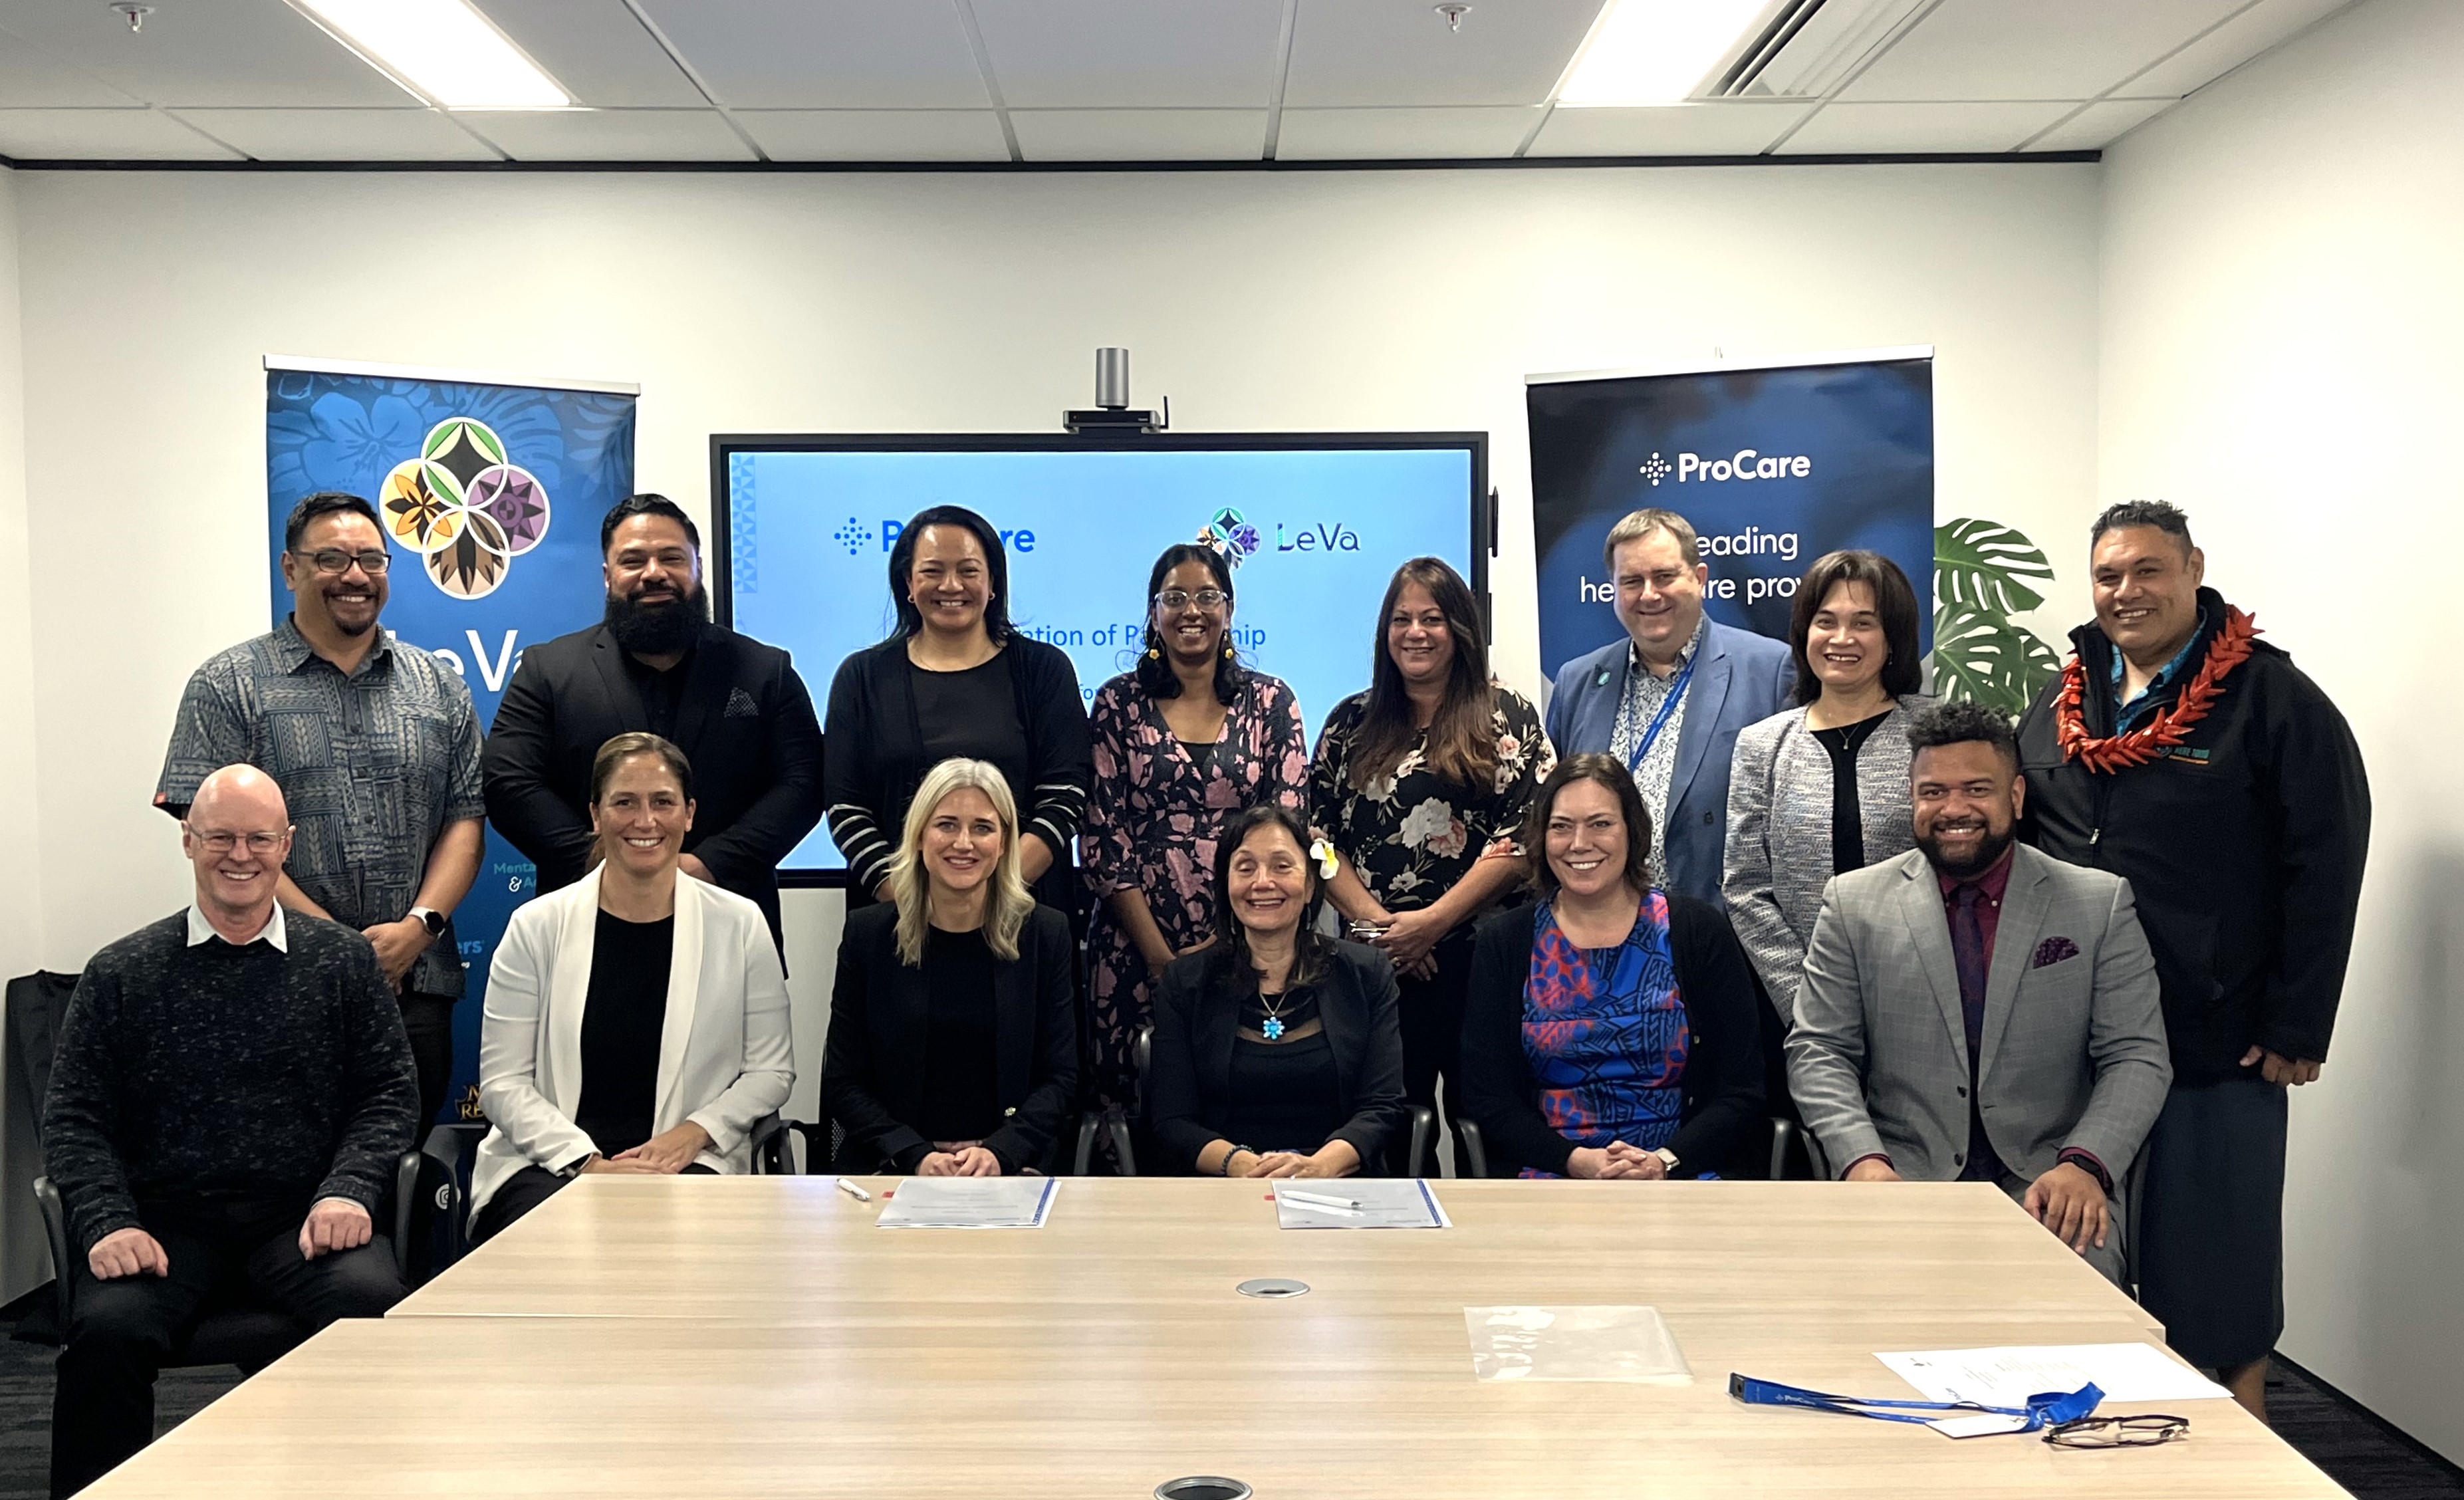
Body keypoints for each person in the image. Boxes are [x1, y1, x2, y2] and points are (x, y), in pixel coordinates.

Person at [2015, 501, 2368, 1417]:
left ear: (2193, 569)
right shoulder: (2058, 702)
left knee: (2218, 1268)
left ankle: (2242, 1439)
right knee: (2078, 1263)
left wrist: (2297, 1023)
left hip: (2213, 1035)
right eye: (2107, 575)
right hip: (2075, 1039)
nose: (2125, 592)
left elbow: (2325, 862)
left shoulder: (2272, 699)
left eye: (2147, 570)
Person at [43, 765, 418, 1498]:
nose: (240, 855)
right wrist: (108, 1222)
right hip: (165, 1227)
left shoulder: (343, 963)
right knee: (106, 1336)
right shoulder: (120, 972)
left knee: (375, 1308)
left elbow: (388, 1094)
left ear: (287, 844)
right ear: (188, 840)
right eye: (220, 837)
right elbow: (75, 1118)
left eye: (259, 839)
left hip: (302, 1220)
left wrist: (349, 1190)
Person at [1788, 701, 2173, 1287]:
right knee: (1865, 1296)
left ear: (2016, 797)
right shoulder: (1853, 904)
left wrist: (2085, 1164)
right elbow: (1819, 1051)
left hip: (2049, 1177)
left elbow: (2137, 1055)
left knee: (2079, 1285)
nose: (1954, 809)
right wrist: (1862, 1160)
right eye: (1933, 792)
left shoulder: (2098, 904)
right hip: (1901, 1175)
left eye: (1976, 789)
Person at [156, 490, 481, 1130]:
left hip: (414, 982)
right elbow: (218, 840)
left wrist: (418, 928)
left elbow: (466, 819)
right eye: (331, 559)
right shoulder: (227, 685)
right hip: (269, 979)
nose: (355, 576)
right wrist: (338, 947)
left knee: (401, 1168)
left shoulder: (440, 687)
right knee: (277, 1164)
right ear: (290, 569)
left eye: (371, 559)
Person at [467, 733, 794, 1243]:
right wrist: (588, 1163)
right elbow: (504, 1084)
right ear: (596, 815)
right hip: (548, 1165)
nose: (645, 821)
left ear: (689, 814)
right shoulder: (536, 927)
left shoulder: (741, 924)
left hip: (686, 1162)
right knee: (560, 1246)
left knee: (680, 1249)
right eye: (624, 803)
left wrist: (695, 1132)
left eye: (663, 802)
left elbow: (771, 1070)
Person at [484, 493, 824, 951]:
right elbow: (508, 782)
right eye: (633, 560)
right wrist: (606, 863)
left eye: (671, 558)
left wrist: (708, 865)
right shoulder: (548, 670)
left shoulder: (765, 671)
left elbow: (804, 784)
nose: (654, 573)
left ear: (697, 567)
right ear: (608, 575)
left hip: (729, 924)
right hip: (585, 926)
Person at [1311, 557, 1554, 1172]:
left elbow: (1526, 835)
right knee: (1388, 1130)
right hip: (1377, 967)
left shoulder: (1509, 714)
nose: (1415, 633)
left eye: (1432, 619)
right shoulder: (1349, 722)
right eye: (1402, 619)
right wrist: (1384, 929)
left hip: (1483, 961)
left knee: (1489, 1126)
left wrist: (1432, 924)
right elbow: (1317, 840)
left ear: (1461, 629)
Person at [1082, 543, 1309, 1136]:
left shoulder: (1271, 701)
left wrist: (1221, 944)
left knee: (1241, 1088)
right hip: (1133, 944)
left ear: (1229, 609)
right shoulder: (1118, 702)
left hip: (1250, 940)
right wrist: (1161, 959)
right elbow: (1104, 836)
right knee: (1134, 1100)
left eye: (1208, 596)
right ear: (1154, 612)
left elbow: (1288, 825)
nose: (1192, 610)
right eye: (1175, 597)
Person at [1461, 755, 1765, 1180]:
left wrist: (1663, 1162)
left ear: (1633, 830)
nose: (1579, 843)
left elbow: (1742, 1090)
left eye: (1600, 824)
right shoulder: (1506, 942)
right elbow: (1487, 1098)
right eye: (1561, 826)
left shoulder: (1698, 930)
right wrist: (1576, 1161)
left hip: (1680, 1175)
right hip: (1551, 1175)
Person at [824, 505, 1093, 913]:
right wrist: (918, 904)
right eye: (932, 571)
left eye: (968, 571)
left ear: (993, 582)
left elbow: (1066, 795)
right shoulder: (861, 677)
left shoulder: (1043, 670)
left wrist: (989, 897)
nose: (951, 586)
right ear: (908, 582)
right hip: (899, 916)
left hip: (1023, 913)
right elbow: (846, 808)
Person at [820, 759, 1079, 1175]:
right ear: (919, 836)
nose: (964, 843)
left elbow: (1061, 1078)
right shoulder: (868, 936)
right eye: (946, 825)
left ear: (1005, 843)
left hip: (1010, 1168)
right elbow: (843, 1081)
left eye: (983, 828)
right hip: (895, 1165)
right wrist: (914, 1154)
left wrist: (1000, 1152)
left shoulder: (1046, 935)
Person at [1724, 550, 1933, 1035]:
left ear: (1893, 638)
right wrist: (1806, 1001)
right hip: (1804, 1012)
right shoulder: (1762, 745)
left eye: (1863, 623)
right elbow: (1745, 886)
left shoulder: (1933, 734)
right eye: (1826, 621)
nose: (1842, 639)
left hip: (1924, 998)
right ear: (1805, 633)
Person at [1545, 509, 1794, 905]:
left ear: (1699, 578)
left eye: (1664, 576)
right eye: (1631, 581)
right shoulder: (1577, 682)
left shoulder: (1771, 670)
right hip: (1603, 921)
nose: (1649, 594)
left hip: (1718, 923)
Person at [1148, 805, 1408, 1177]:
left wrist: (1318, 1168)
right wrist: (1244, 1165)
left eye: (1282, 866)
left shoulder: (1366, 973)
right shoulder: (1185, 982)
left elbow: (1382, 1106)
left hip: (1339, 1184)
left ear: (1310, 885)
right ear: (1226, 884)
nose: (1262, 882)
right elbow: (1173, 1119)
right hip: (1224, 1183)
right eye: (1245, 868)